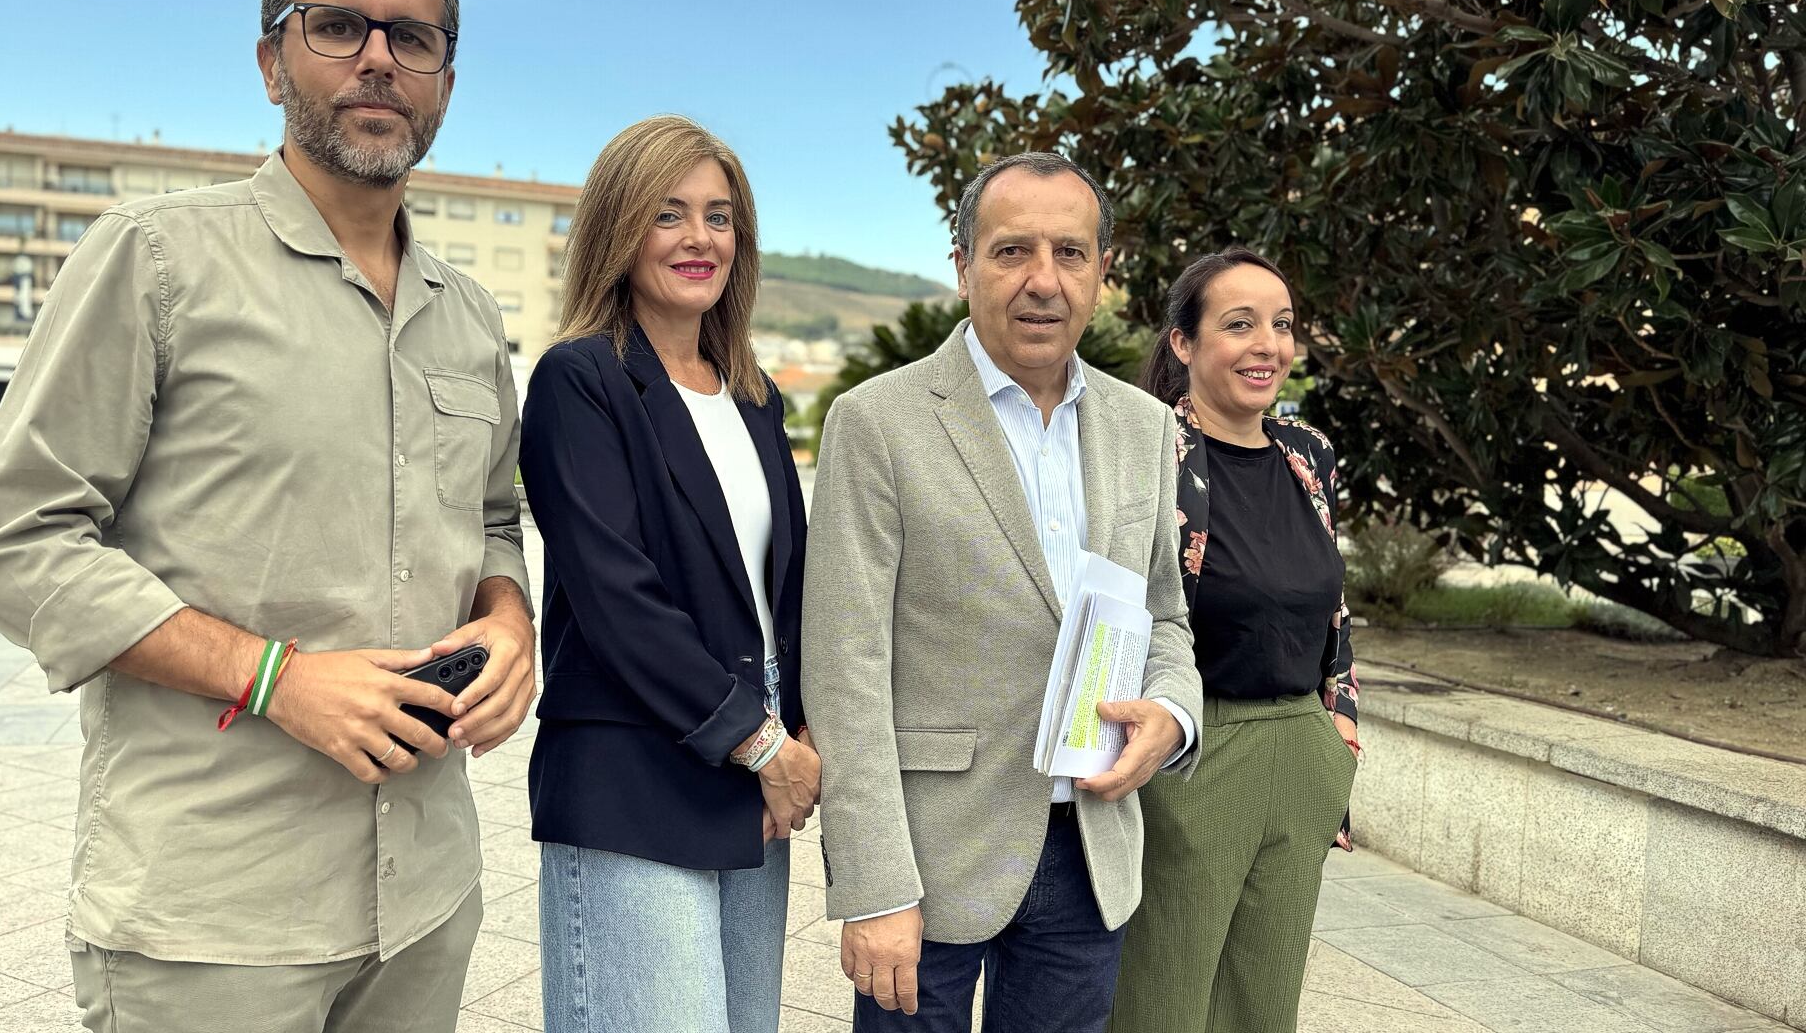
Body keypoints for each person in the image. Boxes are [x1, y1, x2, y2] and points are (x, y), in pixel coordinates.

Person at [0, 0, 539, 1029]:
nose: (377, 58)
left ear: (447, 79)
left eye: (412, 38)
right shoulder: (156, 260)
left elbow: (493, 519)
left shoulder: (470, 317)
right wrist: (274, 677)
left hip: (426, 901)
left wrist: (511, 623)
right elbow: (15, 540)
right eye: (336, 27)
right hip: (213, 918)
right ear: (272, 61)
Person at [802, 151, 1204, 1033]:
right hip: (930, 859)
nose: (1043, 281)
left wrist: (1173, 713)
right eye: (1012, 250)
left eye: (1070, 252)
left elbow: (1164, 615)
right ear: (963, 267)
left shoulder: (1144, 428)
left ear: (1103, 272)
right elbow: (843, 665)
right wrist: (872, 886)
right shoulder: (877, 422)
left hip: (1091, 846)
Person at [519, 115, 818, 1033]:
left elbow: (783, 593)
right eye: (668, 214)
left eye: (719, 216)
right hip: (634, 773)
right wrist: (763, 745)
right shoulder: (580, 382)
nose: (700, 239)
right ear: (618, 229)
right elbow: (618, 598)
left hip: (750, 768)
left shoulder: (755, 398)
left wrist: (797, 731)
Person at [1110, 247, 1362, 1033]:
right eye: (1240, 324)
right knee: (1161, 1001)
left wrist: (1340, 725)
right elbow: (1125, 609)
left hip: (1301, 754)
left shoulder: (1308, 453)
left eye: (1282, 326)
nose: (1269, 346)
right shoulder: (1149, 450)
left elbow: (1332, 604)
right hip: (1193, 752)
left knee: (1263, 1003)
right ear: (1184, 343)